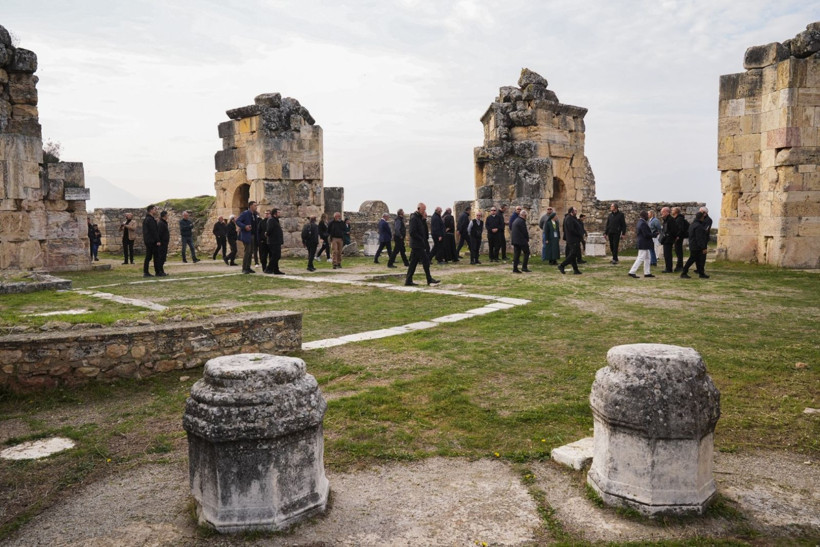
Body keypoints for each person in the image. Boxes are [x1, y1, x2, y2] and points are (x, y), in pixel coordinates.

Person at [404, 203, 439, 286]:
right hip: (417, 244)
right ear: (419, 208)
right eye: (423, 209)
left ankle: (408, 280)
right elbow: (412, 232)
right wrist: (421, 239)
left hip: (419, 244)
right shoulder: (414, 218)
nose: (424, 211)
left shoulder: (419, 218)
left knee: (413, 263)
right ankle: (429, 279)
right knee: (426, 261)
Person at [681, 211, 710, 279]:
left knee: (698, 260)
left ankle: (701, 273)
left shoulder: (692, 225)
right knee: (693, 260)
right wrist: (703, 247)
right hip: (697, 246)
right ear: (702, 218)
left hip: (693, 245)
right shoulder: (699, 226)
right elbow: (699, 238)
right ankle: (684, 272)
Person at [628, 211, 655, 279]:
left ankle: (647, 272)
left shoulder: (640, 222)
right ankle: (632, 271)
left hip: (643, 242)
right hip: (644, 243)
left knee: (647, 258)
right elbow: (646, 234)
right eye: (647, 215)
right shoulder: (643, 223)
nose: (648, 216)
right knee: (640, 258)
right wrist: (654, 234)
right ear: (644, 216)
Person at [558, 207, 583, 275]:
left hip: (574, 239)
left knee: (573, 255)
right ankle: (562, 265)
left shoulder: (572, 218)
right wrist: (579, 234)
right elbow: (571, 230)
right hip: (573, 239)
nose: (576, 212)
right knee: (573, 254)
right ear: (571, 211)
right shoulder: (569, 218)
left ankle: (576, 270)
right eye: (575, 210)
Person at [236, 201, 258, 274]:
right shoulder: (245, 213)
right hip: (247, 235)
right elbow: (238, 221)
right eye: (255, 205)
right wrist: (244, 226)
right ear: (251, 206)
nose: (256, 207)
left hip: (253, 235)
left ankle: (248, 267)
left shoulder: (254, 214)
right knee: (247, 251)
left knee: (251, 252)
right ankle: (244, 268)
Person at [142, 204, 161, 277]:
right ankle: (152, 272)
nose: (156, 211)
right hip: (151, 241)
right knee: (153, 256)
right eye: (155, 209)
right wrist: (158, 240)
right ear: (151, 210)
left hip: (148, 240)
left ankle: (150, 272)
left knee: (150, 256)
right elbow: (154, 231)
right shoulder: (150, 219)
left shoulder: (148, 219)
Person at [264, 208, 284, 274]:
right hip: (273, 241)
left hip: (276, 241)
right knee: (276, 255)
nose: (279, 213)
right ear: (275, 213)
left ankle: (276, 270)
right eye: (278, 212)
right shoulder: (271, 220)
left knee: (275, 255)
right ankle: (268, 268)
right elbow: (269, 230)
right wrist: (267, 233)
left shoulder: (275, 220)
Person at [660, 206, 678, 273]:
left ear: (667, 212)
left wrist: (669, 236)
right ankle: (668, 268)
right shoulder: (666, 219)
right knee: (666, 254)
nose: (661, 213)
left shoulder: (670, 220)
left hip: (668, 239)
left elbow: (674, 230)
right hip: (666, 239)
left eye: (663, 212)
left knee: (668, 254)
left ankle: (669, 269)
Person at [672, 207, 688, 271]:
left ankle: (679, 266)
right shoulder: (677, 218)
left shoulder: (679, 219)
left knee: (679, 251)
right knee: (678, 251)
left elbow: (680, 229)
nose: (672, 211)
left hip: (679, 237)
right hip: (678, 237)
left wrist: (677, 236)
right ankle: (679, 265)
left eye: (673, 210)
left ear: (676, 212)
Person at [156, 210, 170, 277]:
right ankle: (160, 271)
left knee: (163, 257)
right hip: (162, 243)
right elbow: (159, 233)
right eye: (167, 215)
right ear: (164, 215)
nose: (167, 216)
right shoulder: (161, 223)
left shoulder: (164, 223)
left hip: (164, 243)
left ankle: (161, 271)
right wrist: (159, 241)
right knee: (161, 257)